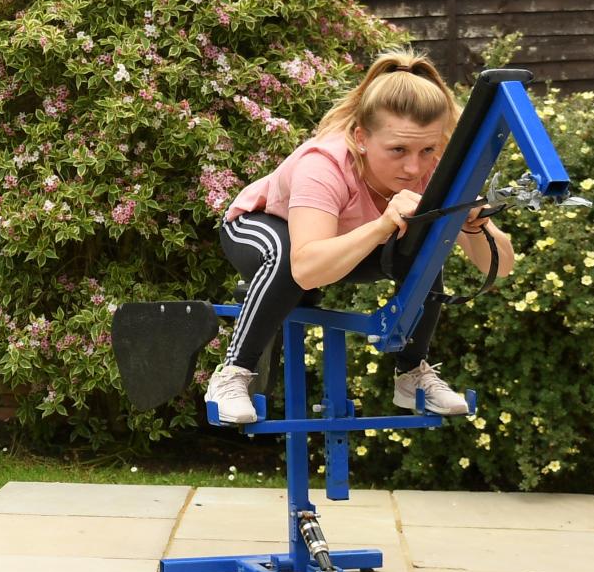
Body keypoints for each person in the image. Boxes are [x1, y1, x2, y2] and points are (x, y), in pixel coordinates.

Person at [205, 52, 512, 425]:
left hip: (343, 245)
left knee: (429, 247)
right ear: (361, 137)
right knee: (287, 256)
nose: (414, 167)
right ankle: (233, 374)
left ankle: (412, 374)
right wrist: (383, 225)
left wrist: (473, 225)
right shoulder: (324, 164)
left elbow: (498, 268)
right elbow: (305, 270)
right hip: (262, 226)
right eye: (398, 150)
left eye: (427, 149)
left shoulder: (433, 169)